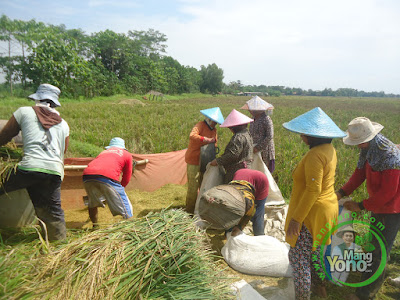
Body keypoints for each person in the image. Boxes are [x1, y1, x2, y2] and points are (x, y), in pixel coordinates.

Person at [283, 107, 346, 299]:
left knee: (298, 257)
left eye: (305, 133)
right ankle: (320, 289)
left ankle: (303, 296)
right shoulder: (330, 149)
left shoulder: (314, 155)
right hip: (328, 208)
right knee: (315, 253)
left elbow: (313, 190)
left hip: (312, 213)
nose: (302, 136)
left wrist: (296, 219)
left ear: (314, 136)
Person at [336, 117, 400, 300]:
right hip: (380, 204)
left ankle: (365, 294)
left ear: (367, 138)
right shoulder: (368, 149)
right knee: (376, 245)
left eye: (358, 143)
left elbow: (388, 193)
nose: (357, 146)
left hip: (392, 207)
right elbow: (360, 173)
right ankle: (372, 278)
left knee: (379, 250)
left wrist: (361, 206)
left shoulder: (389, 155)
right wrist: (341, 192)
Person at [0, 83, 70, 241]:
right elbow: (63, 150)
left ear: (37, 98)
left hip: (30, 167)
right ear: (54, 103)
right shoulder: (64, 124)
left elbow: (6, 135)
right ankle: (59, 244)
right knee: (53, 209)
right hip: (54, 171)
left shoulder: (24, 112)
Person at [83, 137, 134, 226]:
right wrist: (120, 190)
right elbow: (127, 177)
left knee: (92, 202)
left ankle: (95, 225)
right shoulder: (127, 154)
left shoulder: (103, 152)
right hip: (107, 176)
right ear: (123, 147)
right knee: (126, 208)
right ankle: (130, 227)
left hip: (87, 176)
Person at [184, 107, 224, 214]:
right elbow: (192, 136)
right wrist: (205, 139)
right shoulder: (200, 125)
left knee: (204, 185)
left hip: (206, 161)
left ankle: (200, 208)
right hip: (194, 160)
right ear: (209, 119)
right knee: (193, 187)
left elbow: (214, 144)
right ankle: (189, 211)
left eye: (216, 123)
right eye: (214, 122)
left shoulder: (214, 130)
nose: (215, 124)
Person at [210, 109, 254, 184]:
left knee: (231, 191)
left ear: (235, 127)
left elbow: (233, 155)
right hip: (247, 169)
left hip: (236, 172)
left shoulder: (238, 137)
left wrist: (218, 161)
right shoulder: (247, 134)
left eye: (231, 127)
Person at [241, 96, 276, 173]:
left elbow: (269, 136)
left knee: (264, 171)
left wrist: (258, 147)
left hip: (264, 150)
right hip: (254, 149)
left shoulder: (266, 119)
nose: (250, 111)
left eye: (252, 109)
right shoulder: (252, 119)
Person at [232, 169, 269, 236]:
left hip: (261, 181)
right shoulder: (229, 195)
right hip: (241, 174)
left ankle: (259, 236)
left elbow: (250, 212)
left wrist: (240, 227)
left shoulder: (247, 200)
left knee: (257, 214)